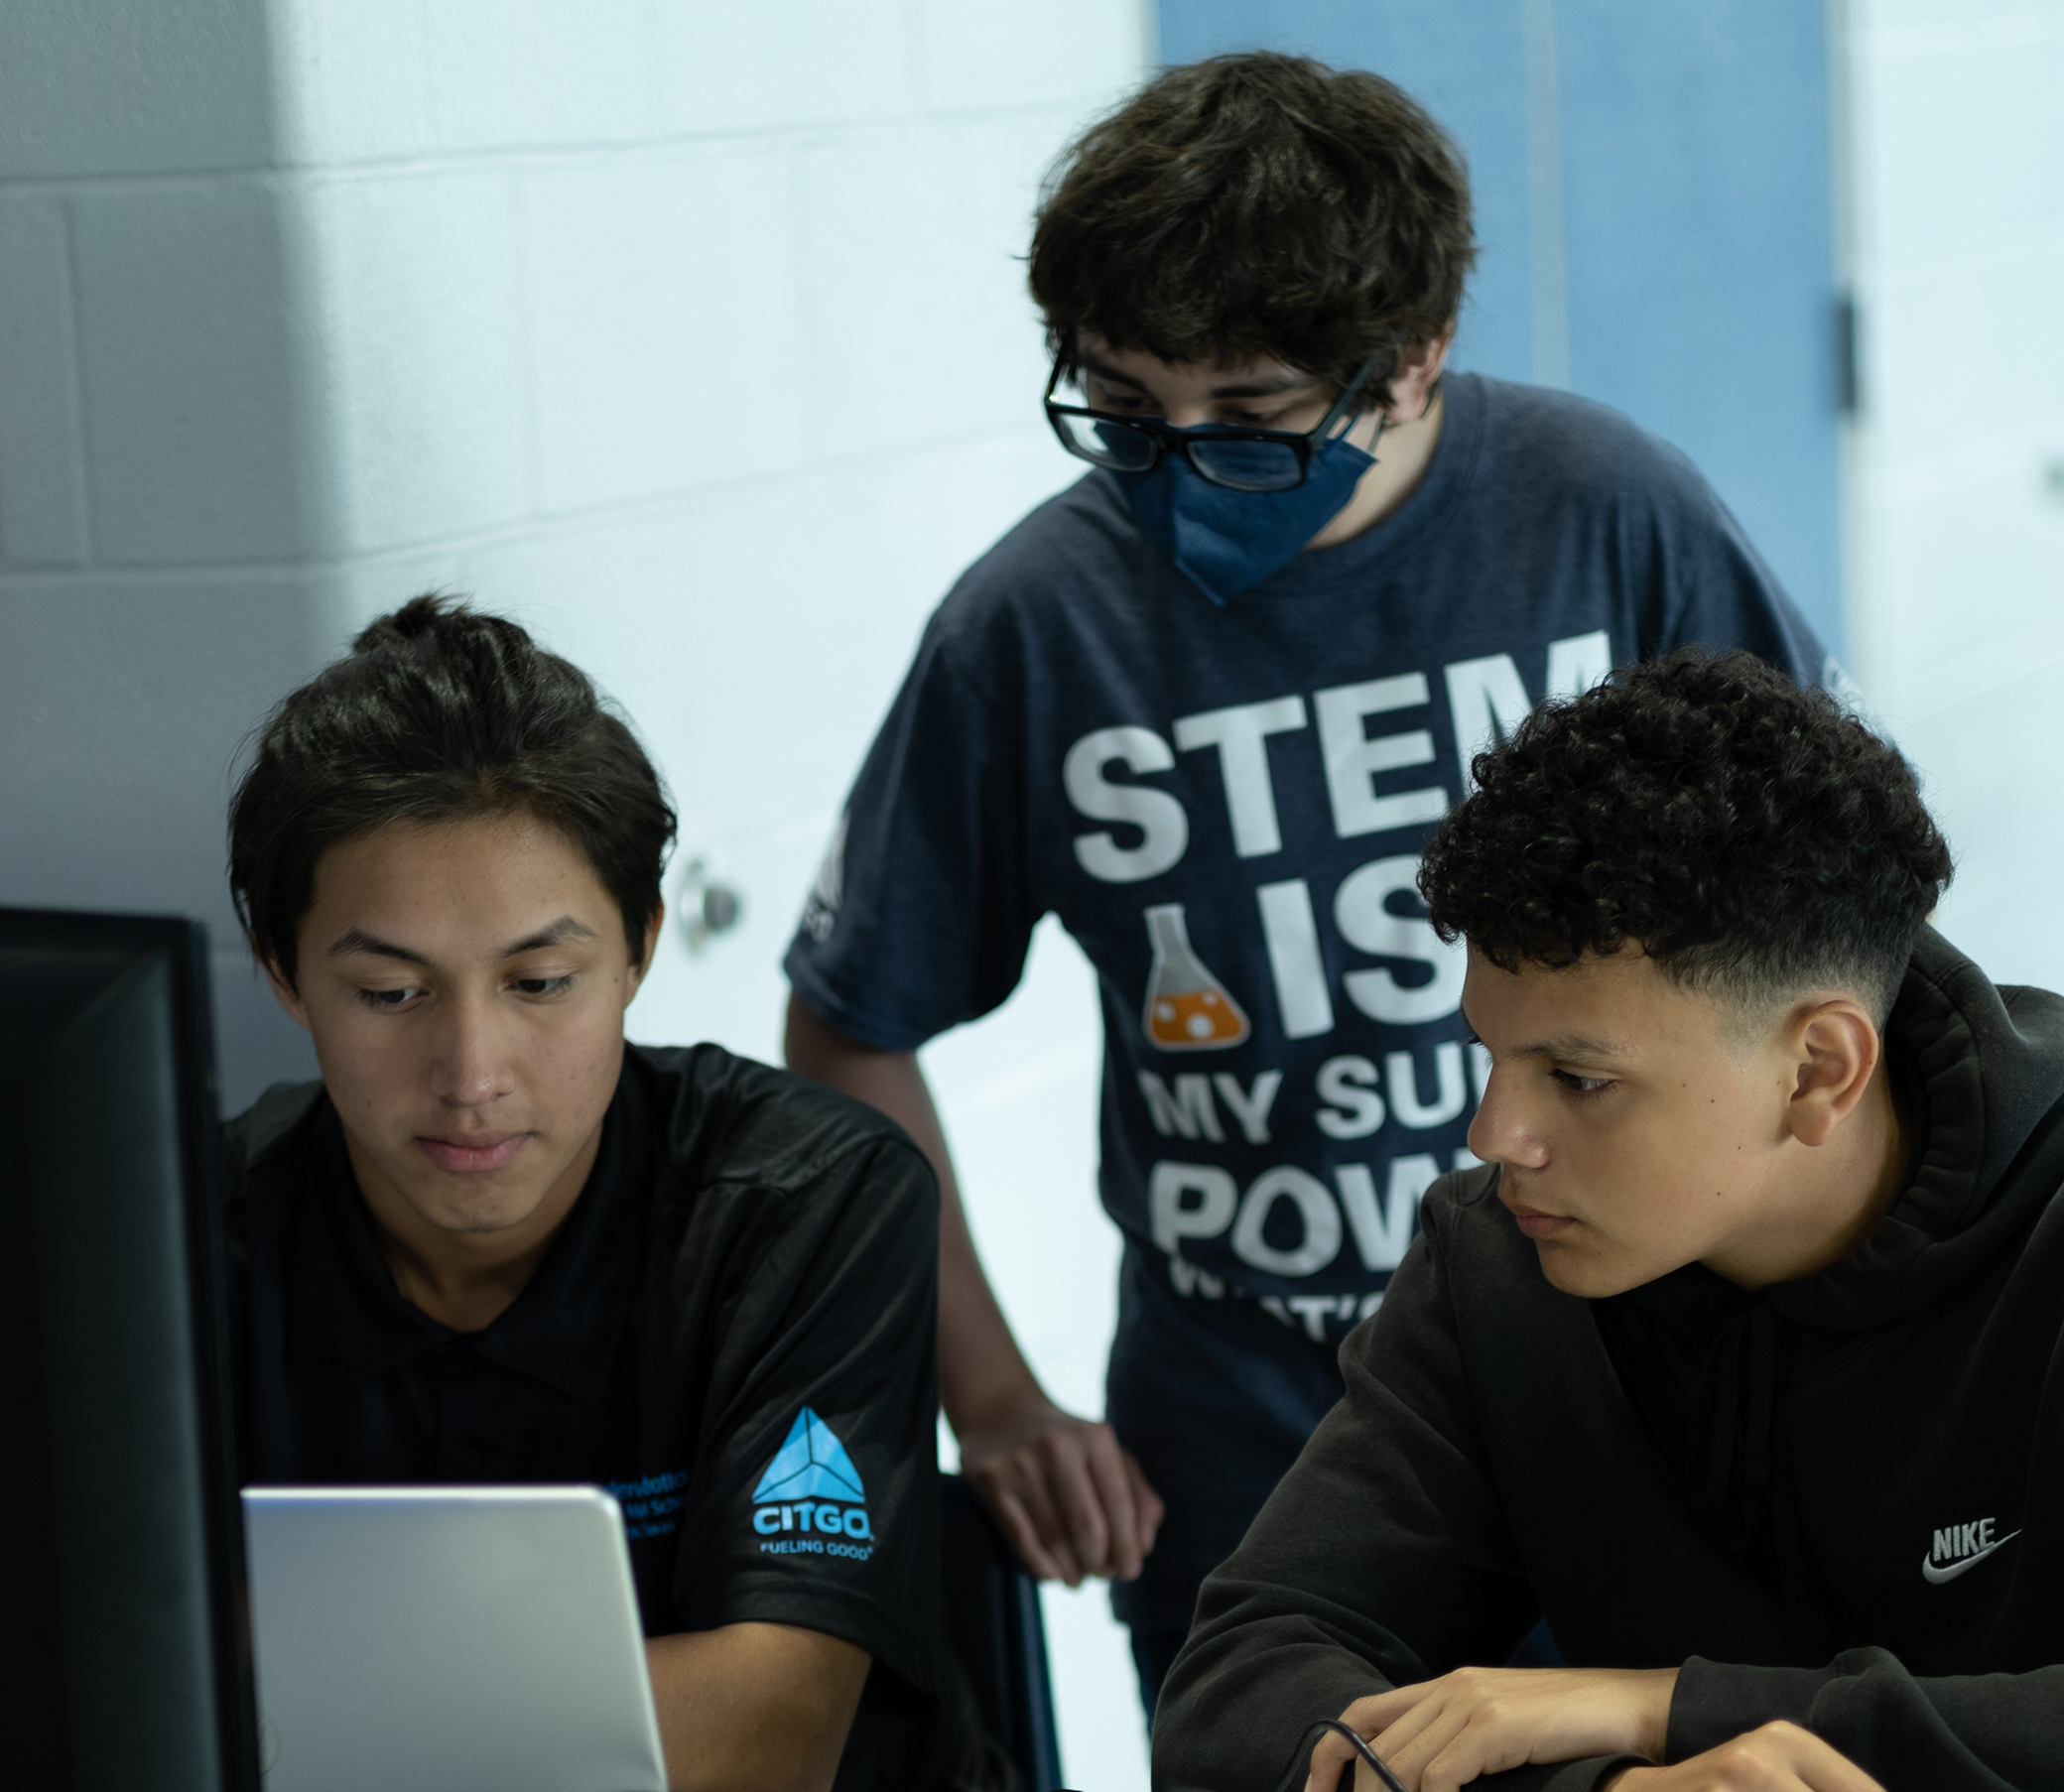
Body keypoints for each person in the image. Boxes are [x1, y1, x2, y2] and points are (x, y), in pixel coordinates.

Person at [781, 51, 1841, 1706]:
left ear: (1412, 366)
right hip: (1247, 1434)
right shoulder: (1039, 623)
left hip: (1646, 1393)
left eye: (1255, 420)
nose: (1179, 467)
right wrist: (986, 1392)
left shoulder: (1606, 514)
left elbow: (1838, 930)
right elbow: (849, 1027)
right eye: (1123, 409)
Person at [1152, 649, 2064, 1792]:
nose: (1493, 1137)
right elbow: (1238, 1693)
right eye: (1489, 1057)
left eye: (1577, 1079)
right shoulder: (1495, 1265)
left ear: (1817, 1071)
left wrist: (1662, 1707)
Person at [223, 597, 993, 1792]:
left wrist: (283, 1703)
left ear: (638, 946)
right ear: (282, 972)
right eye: (390, 995)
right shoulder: (167, 1242)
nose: (472, 1076)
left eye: (539, 982)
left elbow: (765, 1736)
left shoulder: (806, 1202)